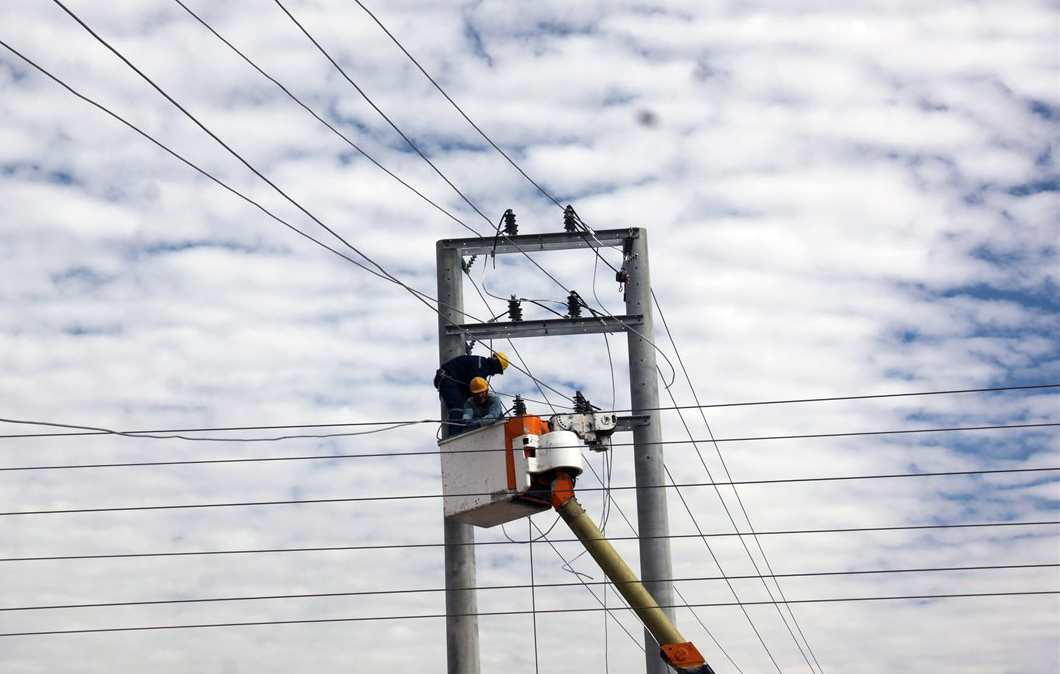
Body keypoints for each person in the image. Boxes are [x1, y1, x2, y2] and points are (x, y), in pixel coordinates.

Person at [434, 352, 508, 436]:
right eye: (497, 371)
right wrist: (475, 421)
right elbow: (473, 399)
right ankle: (455, 436)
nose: (493, 374)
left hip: (450, 379)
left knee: (466, 405)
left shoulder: (481, 364)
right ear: (496, 366)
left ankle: (461, 433)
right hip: (447, 379)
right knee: (457, 407)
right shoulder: (480, 370)